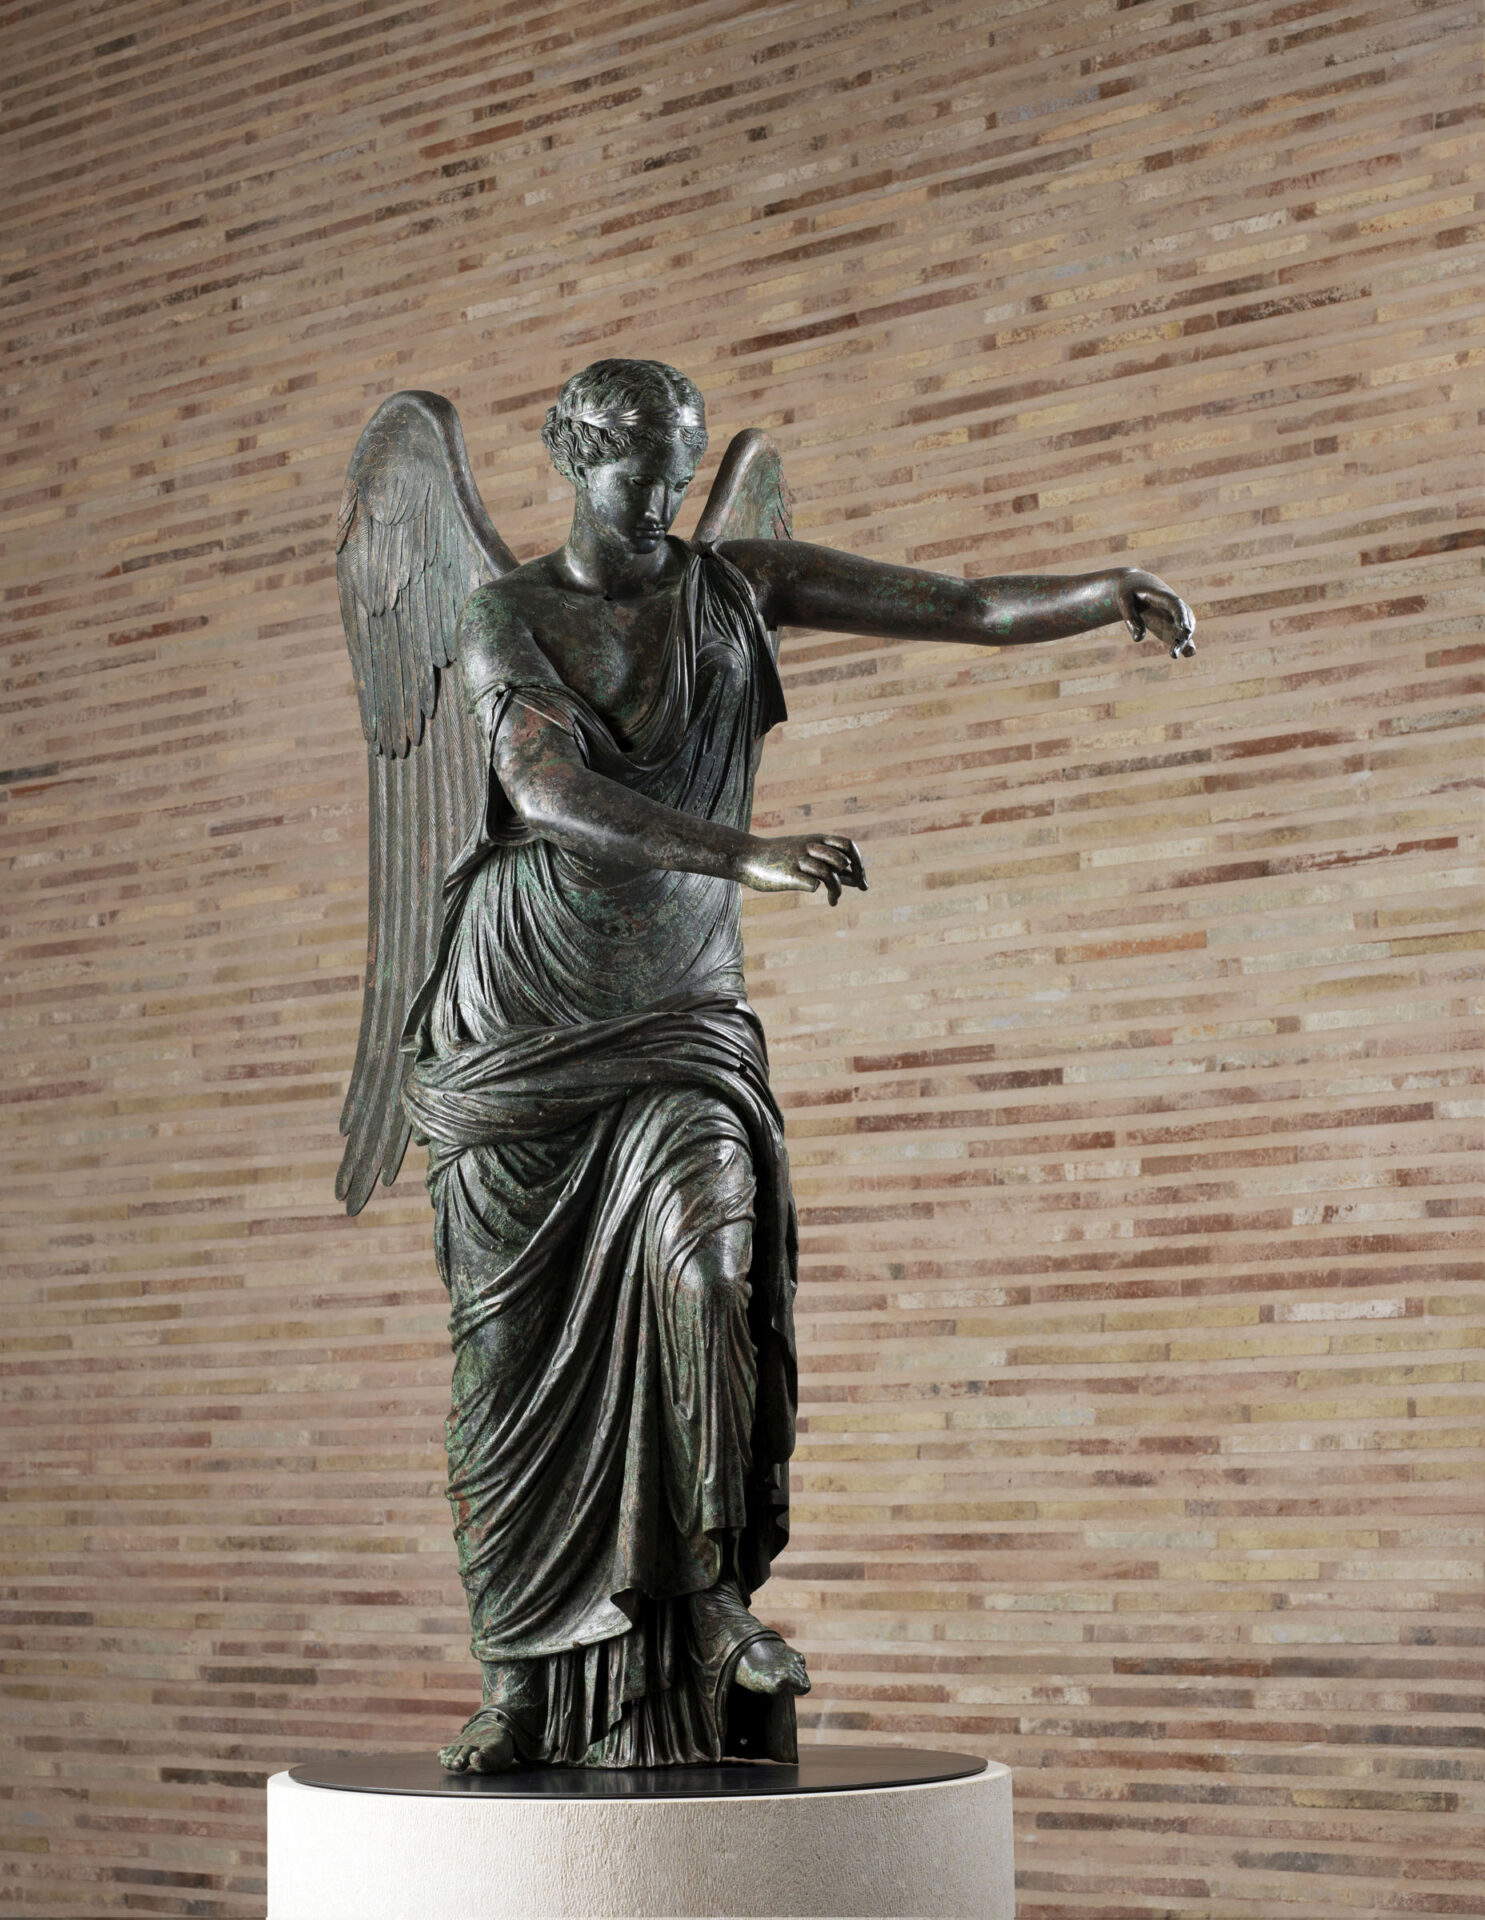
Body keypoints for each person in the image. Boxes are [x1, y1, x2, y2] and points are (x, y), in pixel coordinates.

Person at [396, 359, 1194, 1772]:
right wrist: (743, 854)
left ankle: (707, 1600)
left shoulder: (733, 580)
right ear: (576, 455)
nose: (660, 485)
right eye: (636, 457)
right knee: (505, 1362)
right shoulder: (503, 613)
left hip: (680, 1015)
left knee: (709, 1274)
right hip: (520, 1019)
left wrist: (1100, 588)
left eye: (681, 457)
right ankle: (517, 1677)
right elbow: (542, 788)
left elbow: (952, 604)